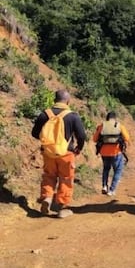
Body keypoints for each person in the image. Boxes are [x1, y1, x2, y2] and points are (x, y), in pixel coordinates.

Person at [30, 89, 87, 218]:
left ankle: (47, 198)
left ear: (54, 100)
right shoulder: (72, 116)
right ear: (68, 101)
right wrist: (79, 148)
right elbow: (82, 136)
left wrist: (49, 142)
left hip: (48, 153)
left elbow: (34, 133)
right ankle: (62, 208)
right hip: (66, 153)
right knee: (66, 179)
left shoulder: (45, 114)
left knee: (49, 176)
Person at [92, 111, 131, 196]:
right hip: (116, 152)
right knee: (118, 170)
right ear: (115, 118)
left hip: (104, 152)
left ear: (107, 118)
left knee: (106, 168)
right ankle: (111, 190)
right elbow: (127, 138)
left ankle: (104, 186)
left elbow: (94, 139)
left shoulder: (102, 126)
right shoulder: (119, 125)